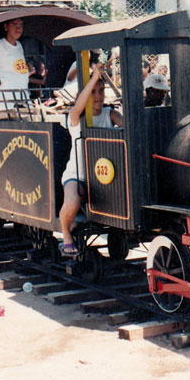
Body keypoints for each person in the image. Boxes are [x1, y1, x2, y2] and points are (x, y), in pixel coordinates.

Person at [58, 66, 123, 258]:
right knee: (72, 202)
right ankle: (66, 233)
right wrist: (94, 77)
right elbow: (77, 108)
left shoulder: (109, 113)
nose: (98, 96)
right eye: (93, 91)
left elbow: (126, 125)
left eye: (101, 91)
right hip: (78, 175)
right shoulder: (76, 118)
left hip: (103, 176)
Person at [0, 18, 46, 110]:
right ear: (6, 27)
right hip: (6, 103)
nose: (18, 28)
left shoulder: (19, 45)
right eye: (14, 24)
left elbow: (16, 73)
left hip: (24, 100)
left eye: (21, 25)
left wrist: (29, 70)